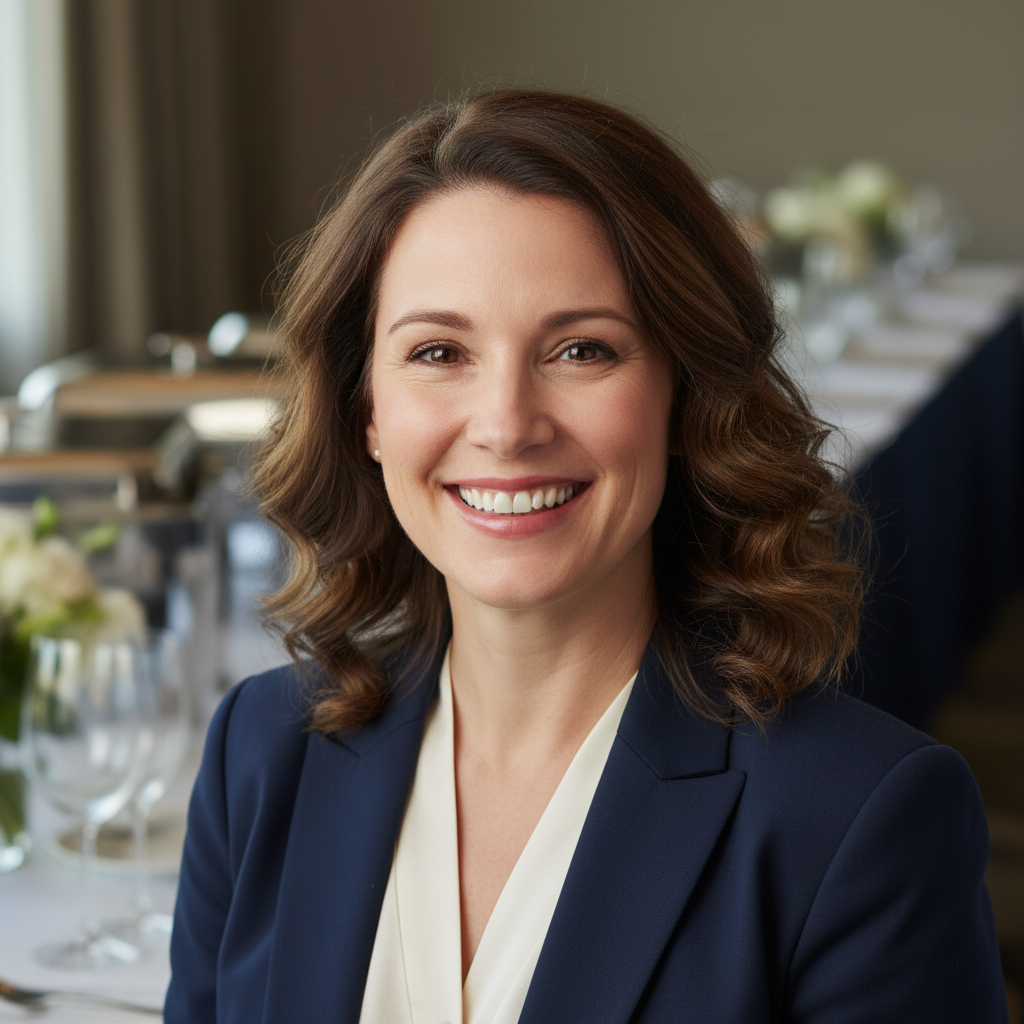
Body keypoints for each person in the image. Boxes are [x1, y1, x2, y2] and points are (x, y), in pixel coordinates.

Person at [165, 89, 1007, 1023]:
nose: (506, 427)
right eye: (439, 352)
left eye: (581, 350)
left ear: (687, 398)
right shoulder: (261, 752)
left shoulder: (859, 818)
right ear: (366, 410)